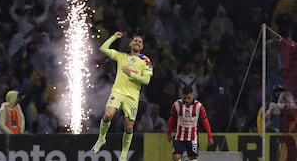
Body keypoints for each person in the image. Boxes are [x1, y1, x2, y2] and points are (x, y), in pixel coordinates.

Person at [91, 31, 153, 161]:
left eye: (140, 42)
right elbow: (103, 48)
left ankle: (124, 153)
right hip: (118, 92)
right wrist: (114, 37)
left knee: (129, 126)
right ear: (130, 43)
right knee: (108, 115)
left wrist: (131, 74)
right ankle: (101, 139)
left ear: (142, 47)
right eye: (135, 40)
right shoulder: (121, 56)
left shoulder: (145, 61)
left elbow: (146, 81)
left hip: (132, 97)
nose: (137, 43)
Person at [167, 86, 214, 161]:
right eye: (185, 98)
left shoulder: (199, 106)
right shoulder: (176, 104)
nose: (187, 100)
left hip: (193, 137)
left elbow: (205, 121)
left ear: (192, 94)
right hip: (179, 136)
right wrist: (168, 132)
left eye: (189, 98)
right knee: (176, 157)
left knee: (193, 158)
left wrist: (210, 136)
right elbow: (172, 119)